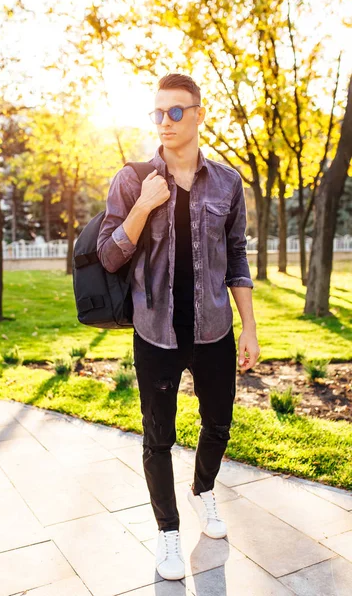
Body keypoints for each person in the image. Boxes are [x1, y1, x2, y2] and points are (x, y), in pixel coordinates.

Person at [97, 72, 260, 581]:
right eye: (157, 112)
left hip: (214, 332)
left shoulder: (229, 183)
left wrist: (249, 327)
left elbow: (236, 257)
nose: (164, 122)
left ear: (197, 114)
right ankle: (168, 532)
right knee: (157, 439)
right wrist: (144, 205)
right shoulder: (132, 178)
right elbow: (107, 255)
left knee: (218, 425)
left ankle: (204, 492)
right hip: (156, 335)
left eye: (175, 112)